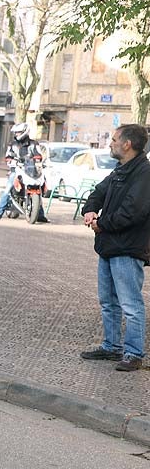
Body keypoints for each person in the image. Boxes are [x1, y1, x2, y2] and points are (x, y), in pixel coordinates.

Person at [79, 124, 150, 372]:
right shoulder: (120, 170)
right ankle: (111, 346)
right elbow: (98, 192)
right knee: (108, 301)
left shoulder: (144, 173)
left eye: (114, 139)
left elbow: (133, 212)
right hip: (109, 246)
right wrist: (89, 210)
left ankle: (133, 353)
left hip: (128, 248)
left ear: (127, 144)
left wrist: (102, 224)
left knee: (131, 305)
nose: (110, 143)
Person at [0, 122, 48, 222]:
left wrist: (38, 160)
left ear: (24, 132)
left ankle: (40, 215)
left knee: (40, 187)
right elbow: (8, 156)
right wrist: (11, 160)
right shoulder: (13, 144)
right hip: (17, 169)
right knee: (7, 189)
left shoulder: (34, 144)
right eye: (16, 133)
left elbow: (38, 154)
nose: (16, 134)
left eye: (18, 132)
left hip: (30, 169)